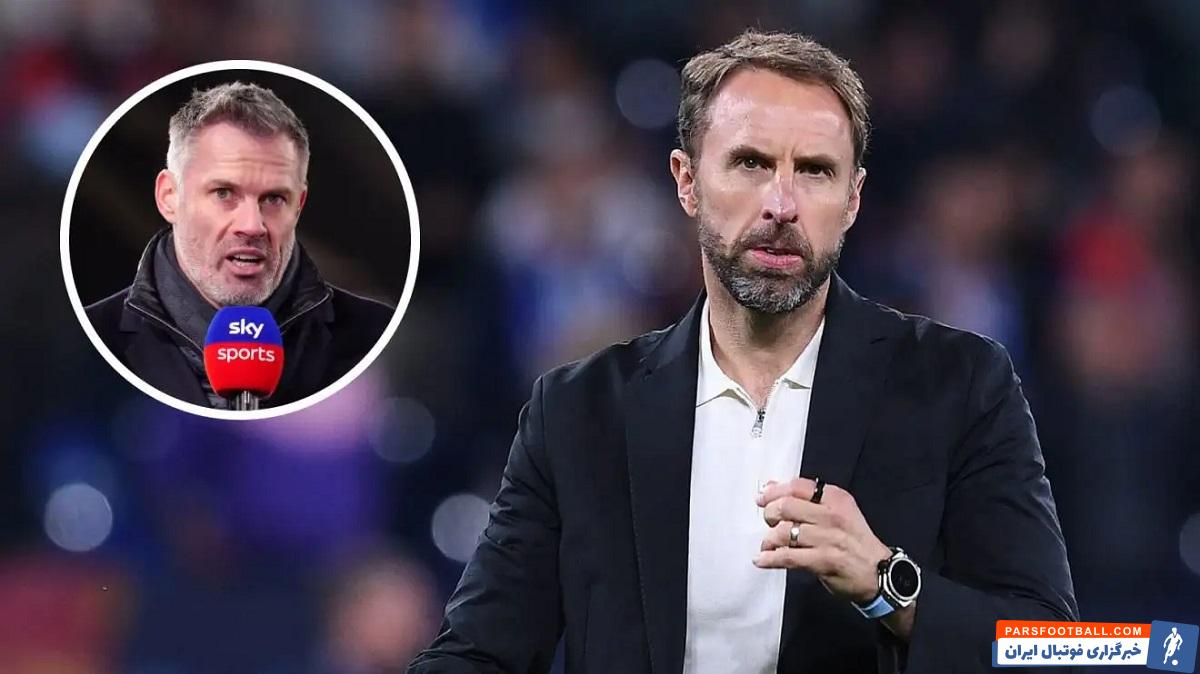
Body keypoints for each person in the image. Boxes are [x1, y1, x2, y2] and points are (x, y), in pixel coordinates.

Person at [409, 30, 1078, 673]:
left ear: (852, 200)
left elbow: (1059, 650)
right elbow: (476, 654)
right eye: (751, 163)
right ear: (687, 181)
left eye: (814, 171)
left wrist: (888, 584)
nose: (782, 204)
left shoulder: (961, 385)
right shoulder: (578, 412)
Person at [86, 82, 394, 409]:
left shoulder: (374, 335)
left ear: (299, 205)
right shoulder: (93, 338)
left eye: (273, 198)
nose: (251, 225)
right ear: (169, 197)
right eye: (224, 193)